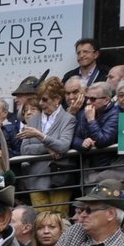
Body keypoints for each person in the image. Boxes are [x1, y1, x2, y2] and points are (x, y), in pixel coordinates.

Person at [17, 77, 77, 218]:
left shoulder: (68, 119)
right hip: (36, 177)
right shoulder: (33, 120)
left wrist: (40, 136)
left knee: (59, 221)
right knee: (40, 223)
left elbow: (63, 146)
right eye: (39, 99)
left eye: (45, 100)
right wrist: (48, 147)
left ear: (57, 99)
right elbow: (24, 149)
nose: (40, 103)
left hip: (59, 178)